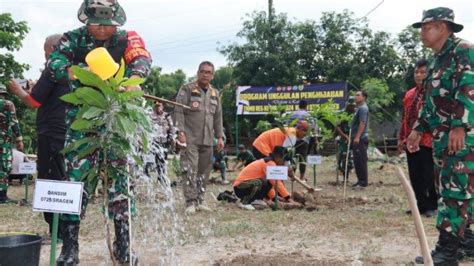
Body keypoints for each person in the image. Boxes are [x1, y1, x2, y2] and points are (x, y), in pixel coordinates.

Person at [46, 0, 152, 264]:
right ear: (86, 19)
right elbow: (55, 62)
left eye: (108, 24)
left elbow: (141, 58)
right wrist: (74, 72)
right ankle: (70, 248)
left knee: (121, 183)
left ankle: (124, 246)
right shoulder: (74, 39)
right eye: (97, 24)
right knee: (75, 183)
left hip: (118, 119)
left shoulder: (128, 37)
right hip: (83, 118)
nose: (103, 29)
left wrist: (135, 81)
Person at [406, 7, 473, 265]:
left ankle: (447, 253)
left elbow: (469, 89)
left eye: (426, 27)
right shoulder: (436, 59)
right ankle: (465, 239)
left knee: (454, 191)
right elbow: (432, 102)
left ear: (442, 27)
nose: (422, 32)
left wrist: (460, 126)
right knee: (455, 187)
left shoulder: (463, 50)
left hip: (461, 137)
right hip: (442, 137)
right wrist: (418, 128)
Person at [8, 33, 67, 238]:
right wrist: (34, 91)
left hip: (52, 133)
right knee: (60, 176)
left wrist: (18, 90)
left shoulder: (53, 68)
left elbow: (32, 103)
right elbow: (41, 97)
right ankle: (61, 229)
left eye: (45, 50)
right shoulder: (69, 69)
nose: (44, 54)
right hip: (63, 132)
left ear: (52, 48)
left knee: (50, 178)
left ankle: (58, 231)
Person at [175, 61, 224, 214]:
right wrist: (180, 132)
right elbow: (178, 110)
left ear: (212, 75)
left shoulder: (215, 93)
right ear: (198, 73)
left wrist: (220, 136)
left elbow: (218, 117)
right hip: (190, 138)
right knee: (190, 169)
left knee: (204, 171)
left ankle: (200, 200)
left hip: (208, 139)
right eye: (202, 71)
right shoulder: (187, 89)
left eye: (208, 72)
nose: (205, 74)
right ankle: (190, 201)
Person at [398, 59, 437, 218]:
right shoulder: (409, 94)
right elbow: (405, 118)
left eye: (423, 72)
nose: (419, 75)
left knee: (429, 175)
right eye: (416, 72)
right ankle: (419, 205)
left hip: (428, 141)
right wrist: (401, 138)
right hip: (410, 142)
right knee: (414, 174)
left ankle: (432, 206)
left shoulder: (434, 93)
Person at [233, 146, 295, 210]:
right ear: (277, 157)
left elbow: (270, 185)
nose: (284, 163)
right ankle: (244, 203)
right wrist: (288, 198)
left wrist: (274, 198)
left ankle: (256, 199)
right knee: (259, 182)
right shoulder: (269, 163)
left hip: (247, 186)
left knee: (266, 182)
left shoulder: (271, 163)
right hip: (240, 187)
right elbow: (277, 183)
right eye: (284, 160)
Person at [288, 100, 318, 181]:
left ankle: (293, 177)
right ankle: (301, 177)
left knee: (293, 157)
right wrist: (316, 140)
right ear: (306, 106)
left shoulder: (292, 115)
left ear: (299, 105)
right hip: (304, 140)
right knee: (303, 158)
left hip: (293, 139)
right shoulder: (308, 116)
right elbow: (313, 129)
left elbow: (288, 126)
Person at [351, 90, 369, 189]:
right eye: (355, 95)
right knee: (357, 160)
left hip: (361, 138)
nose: (355, 97)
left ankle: (363, 182)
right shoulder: (358, 108)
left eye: (358, 95)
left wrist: (357, 137)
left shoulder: (363, 108)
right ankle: (359, 180)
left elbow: (362, 123)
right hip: (356, 138)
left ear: (363, 97)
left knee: (361, 160)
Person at [335, 97, 356, 181]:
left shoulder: (355, 114)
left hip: (353, 137)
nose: (352, 107)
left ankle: (347, 176)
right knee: (343, 156)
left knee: (351, 157)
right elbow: (337, 127)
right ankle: (343, 177)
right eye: (351, 105)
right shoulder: (342, 114)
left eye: (353, 106)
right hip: (343, 138)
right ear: (347, 105)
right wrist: (345, 136)